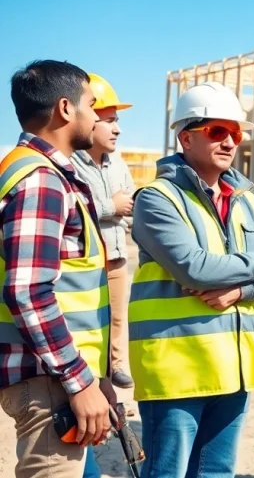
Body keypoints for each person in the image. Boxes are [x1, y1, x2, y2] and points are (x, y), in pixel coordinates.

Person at [129, 81, 254, 478]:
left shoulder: (246, 199)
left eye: (236, 133)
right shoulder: (158, 198)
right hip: (177, 370)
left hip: (234, 369)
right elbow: (193, 267)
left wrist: (241, 289)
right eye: (218, 131)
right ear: (186, 137)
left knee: (216, 473)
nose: (231, 141)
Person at [0, 60, 114, 478]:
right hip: (49, 381)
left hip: (56, 375)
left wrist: (93, 379)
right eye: (92, 104)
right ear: (66, 109)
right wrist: (80, 381)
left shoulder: (30, 171)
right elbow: (28, 290)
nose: (97, 115)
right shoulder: (40, 180)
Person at [70, 73, 136, 391]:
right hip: (87, 261)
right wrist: (111, 207)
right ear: (89, 120)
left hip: (117, 255)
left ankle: (116, 364)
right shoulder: (71, 163)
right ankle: (89, 371)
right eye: (109, 120)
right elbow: (75, 208)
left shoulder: (118, 164)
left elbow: (131, 203)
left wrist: (121, 213)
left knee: (117, 317)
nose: (117, 129)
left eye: (117, 120)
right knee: (89, 322)